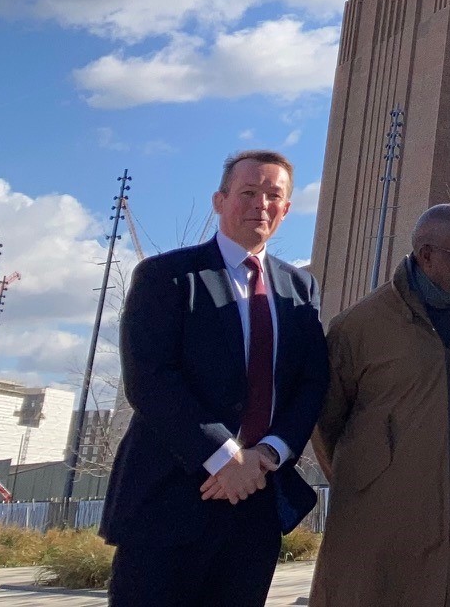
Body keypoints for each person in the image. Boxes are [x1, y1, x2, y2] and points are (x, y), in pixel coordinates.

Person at [100, 149, 329, 607]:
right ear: (219, 200)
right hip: (170, 499)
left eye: (273, 196)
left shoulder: (300, 289)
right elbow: (150, 379)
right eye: (248, 192)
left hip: (255, 504)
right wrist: (224, 456)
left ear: (286, 210)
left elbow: (311, 381)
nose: (260, 204)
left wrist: (266, 454)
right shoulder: (166, 277)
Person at [310, 203, 450, 607]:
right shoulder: (358, 327)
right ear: (425, 255)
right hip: (380, 521)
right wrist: (374, 477)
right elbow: (327, 425)